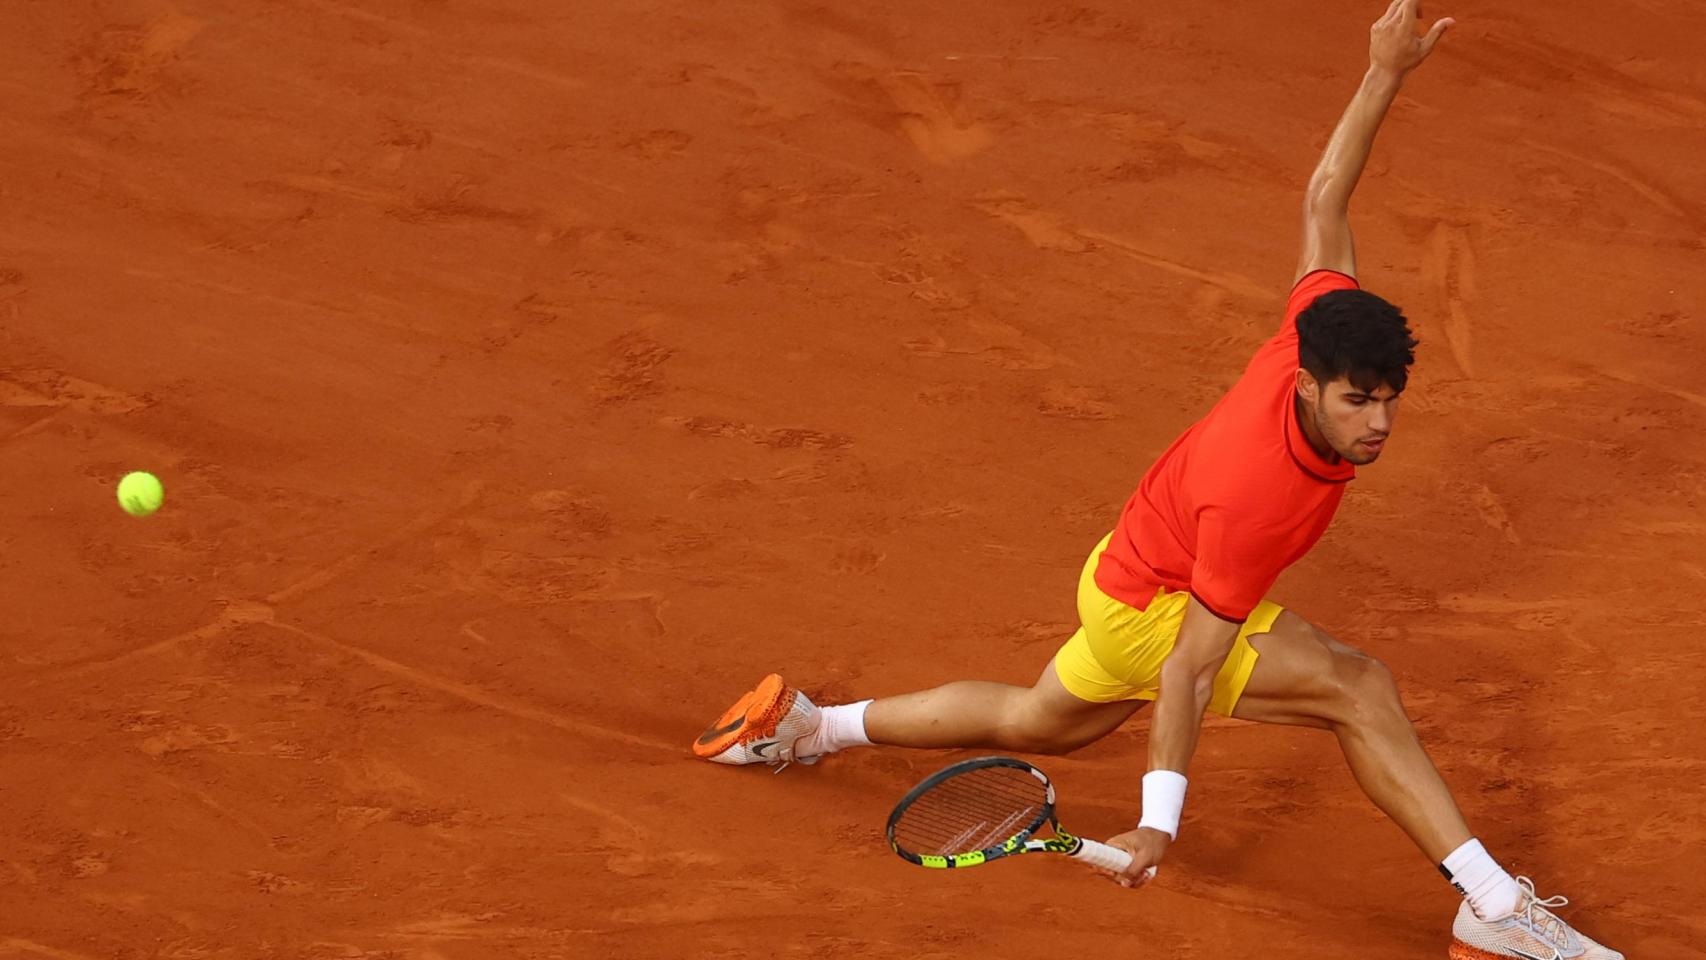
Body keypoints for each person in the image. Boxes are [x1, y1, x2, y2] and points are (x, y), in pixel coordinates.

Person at [692, 3, 1622, 957]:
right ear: (1307, 385)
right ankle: (1494, 908)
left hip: (1122, 569)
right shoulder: (1259, 495)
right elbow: (1189, 667)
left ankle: (814, 727)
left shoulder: (1318, 325)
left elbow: (1324, 200)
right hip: (1159, 607)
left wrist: (1385, 71)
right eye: (1357, 404)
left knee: (1038, 719)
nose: (1377, 423)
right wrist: (1159, 823)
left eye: (1389, 400)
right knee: (1358, 687)